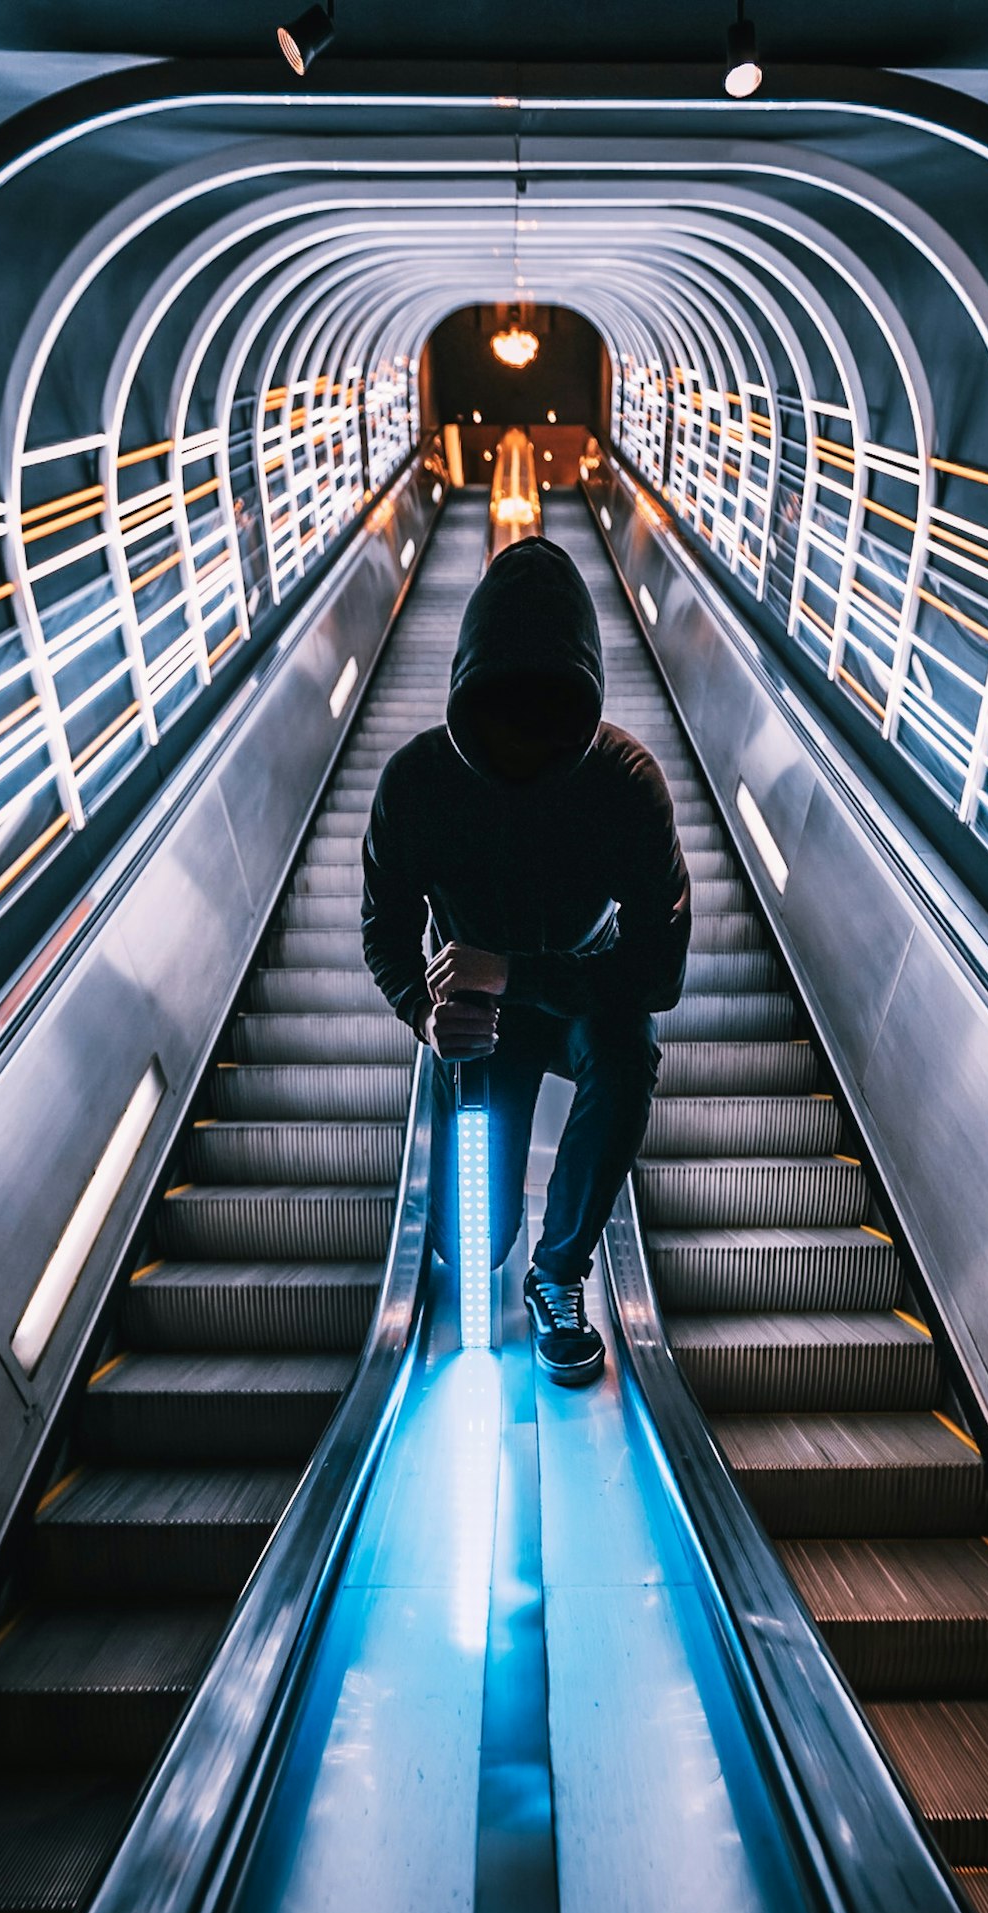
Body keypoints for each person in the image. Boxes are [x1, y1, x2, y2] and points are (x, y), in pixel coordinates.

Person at [361, 535, 691, 1385]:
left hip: (588, 992)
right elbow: (385, 925)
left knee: (628, 1059)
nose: (523, 753)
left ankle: (559, 1274)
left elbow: (661, 972)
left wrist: (513, 972)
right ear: (467, 697)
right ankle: (501, 1241)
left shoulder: (623, 783)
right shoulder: (418, 785)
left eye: (548, 724)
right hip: (483, 1019)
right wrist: (423, 1014)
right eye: (501, 720)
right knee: (469, 1245)